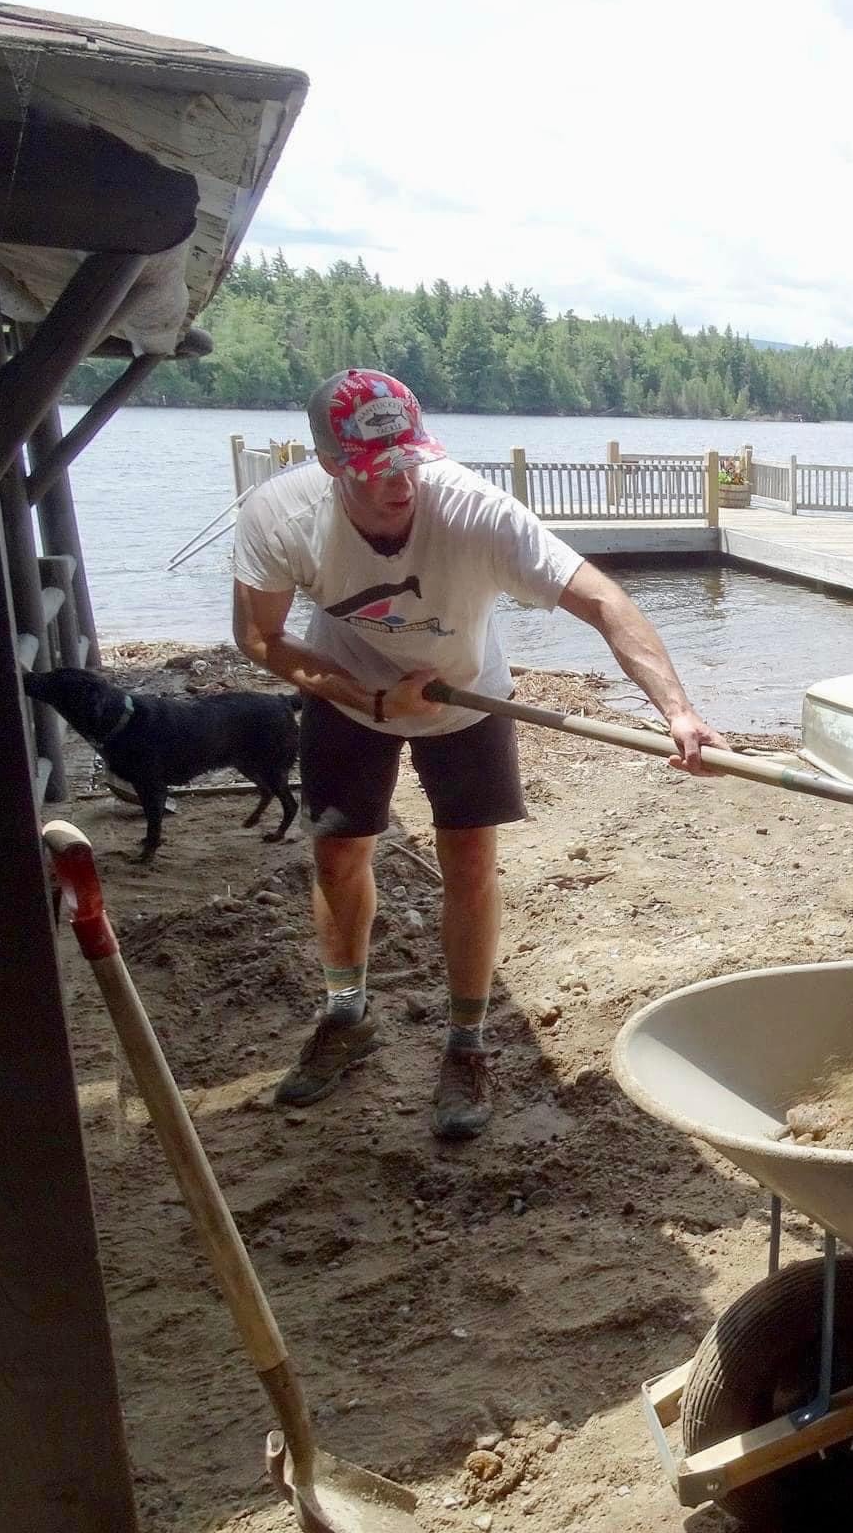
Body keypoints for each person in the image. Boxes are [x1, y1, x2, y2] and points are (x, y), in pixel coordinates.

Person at [232, 369, 726, 1141]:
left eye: (409, 461)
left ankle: (466, 1042)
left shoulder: (472, 509)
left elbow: (603, 599)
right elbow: (258, 636)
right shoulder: (281, 516)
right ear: (331, 468)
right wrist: (368, 701)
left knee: (467, 861)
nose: (401, 485)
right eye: (375, 470)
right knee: (338, 853)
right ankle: (345, 1013)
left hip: (467, 694)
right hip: (346, 690)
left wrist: (680, 710)